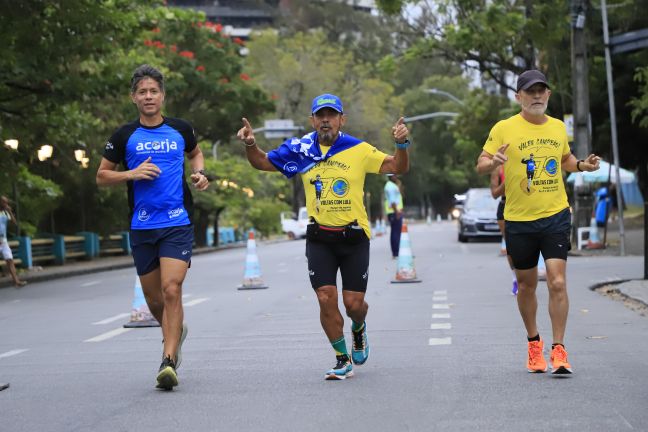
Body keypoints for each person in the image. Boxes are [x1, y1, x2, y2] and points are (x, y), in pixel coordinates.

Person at [237, 93, 409, 380]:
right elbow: (262, 162)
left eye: (331, 115)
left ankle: (358, 328)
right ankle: (342, 358)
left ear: (342, 119)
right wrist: (250, 144)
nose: (325, 120)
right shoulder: (301, 149)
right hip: (320, 238)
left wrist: (401, 143)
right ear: (313, 120)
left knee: (354, 304)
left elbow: (397, 167)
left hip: (354, 237)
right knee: (325, 296)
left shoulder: (358, 149)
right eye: (320, 115)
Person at [476, 70, 600, 375]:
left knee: (557, 281)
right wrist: (493, 162)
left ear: (548, 95)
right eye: (530, 92)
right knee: (527, 286)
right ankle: (534, 343)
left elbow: (565, 159)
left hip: (555, 214)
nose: (536, 96)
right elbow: (481, 163)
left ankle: (559, 349)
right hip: (518, 219)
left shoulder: (558, 127)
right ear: (519, 97)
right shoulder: (504, 128)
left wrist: (582, 165)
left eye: (541, 91)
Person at [96, 65, 209, 390]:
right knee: (154, 299)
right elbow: (102, 176)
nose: (148, 96)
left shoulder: (180, 129)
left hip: (177, 222)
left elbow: (196, 154)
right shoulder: (123, 136)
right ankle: (176, 331)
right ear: (134, 97)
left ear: (162, 96)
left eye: (153, 91)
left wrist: (200, 174)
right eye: (142, 92)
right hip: (142, 225)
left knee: (172, 289)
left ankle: (169, 359)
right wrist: (130, 174)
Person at [489, 168, 517, 294]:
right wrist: (508, 182)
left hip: (525, 206)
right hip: (505, 205)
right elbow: (494, 193)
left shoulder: (526, 159)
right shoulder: (498, 168)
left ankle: (527, 277)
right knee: (511, 246)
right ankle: (515, 279)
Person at [0, 196, 27, 287]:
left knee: (10, 260)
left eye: (6, 203)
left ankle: (16, 281)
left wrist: (10, 211)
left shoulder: (5, 213)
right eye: (3, 202)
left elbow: (14, 223)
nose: (5, 204)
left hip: (3, 241)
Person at [384, 174, 404, 258]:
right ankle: (396, 253)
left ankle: (396, 252)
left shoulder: (391, 185)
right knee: (396, 232)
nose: (396, 177)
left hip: (393, 211)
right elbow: (392, 201)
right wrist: (397, 212)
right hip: (394, 211)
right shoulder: (391, 187)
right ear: (391, 176)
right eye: (395, 175)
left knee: (394, 232)